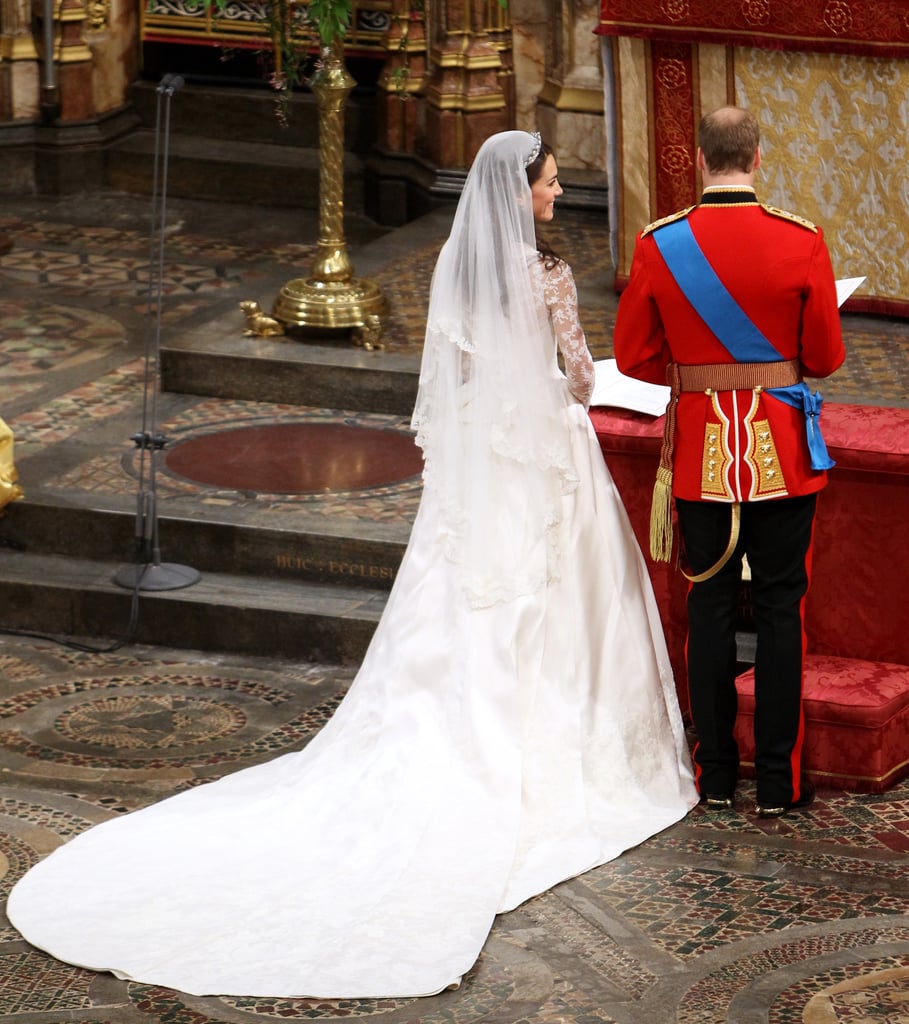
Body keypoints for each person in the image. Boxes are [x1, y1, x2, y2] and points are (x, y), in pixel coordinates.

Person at [8, 130, 697, 999]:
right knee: (560, 595)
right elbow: (580, 378)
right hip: (543, 460)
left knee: (459, 596)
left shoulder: (456, 264)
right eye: (552, 186)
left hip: (481, 465)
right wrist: (570, 384)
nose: (558, 197)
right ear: (517, 194)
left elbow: (448, 382)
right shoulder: (547, 276)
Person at [613, 106, 845, 819]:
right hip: (779, 454)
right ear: (755, 156)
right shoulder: (799, 239)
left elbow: (633, 356)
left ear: (697, 157)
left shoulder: (661, 243)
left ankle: (713, 778)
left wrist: (698, 370)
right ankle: (777, 783)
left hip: (700, 457)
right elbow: (826, 358)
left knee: (709, 608)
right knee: (780, 611)